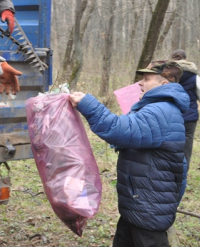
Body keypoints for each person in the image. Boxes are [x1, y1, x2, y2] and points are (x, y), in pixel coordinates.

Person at [69, 61, 189, 247]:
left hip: (148, 209)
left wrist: (87, 104)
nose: (140, 83)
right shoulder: (157, 108)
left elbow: (117, 129)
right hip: (140, 204)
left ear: (164, 84)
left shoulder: (160, 111)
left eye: (146, 79)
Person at [170, 49, 200, 168]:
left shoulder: (166, 75)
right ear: (186, 60)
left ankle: (171, 169)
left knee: (171, 143)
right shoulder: (194, 76)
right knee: (187, 144)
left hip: (171, 115)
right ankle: (183, 171)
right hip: (189, 116)